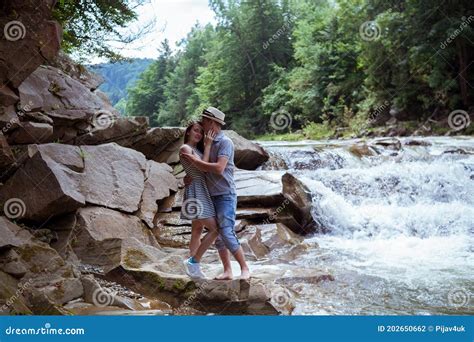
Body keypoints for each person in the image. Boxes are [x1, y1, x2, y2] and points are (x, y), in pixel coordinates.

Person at [180, 107, 250, 280]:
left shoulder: (225, 142)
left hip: (225, 194)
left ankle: (244, 268)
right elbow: (196, 167)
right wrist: (189, 176)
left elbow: (218, 168)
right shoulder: (204, 143)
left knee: (224, 231)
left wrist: (195, 165)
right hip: (206, 194)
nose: (202, 124)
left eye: (204, 120)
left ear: (212, 122)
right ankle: (226, 270)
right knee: (213, 232)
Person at [180, 121, 220, 279]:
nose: (198, 134)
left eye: (200, 132)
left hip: (199, 189)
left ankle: (194, 268)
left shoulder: (195, 149)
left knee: (197, 230)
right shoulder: (185, 148)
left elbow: (197, 169)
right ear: (188, 132)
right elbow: (203, 168)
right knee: (215, 229)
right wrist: (208, 144)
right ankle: (193, 262)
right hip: (196, 191)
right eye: (195, 130)